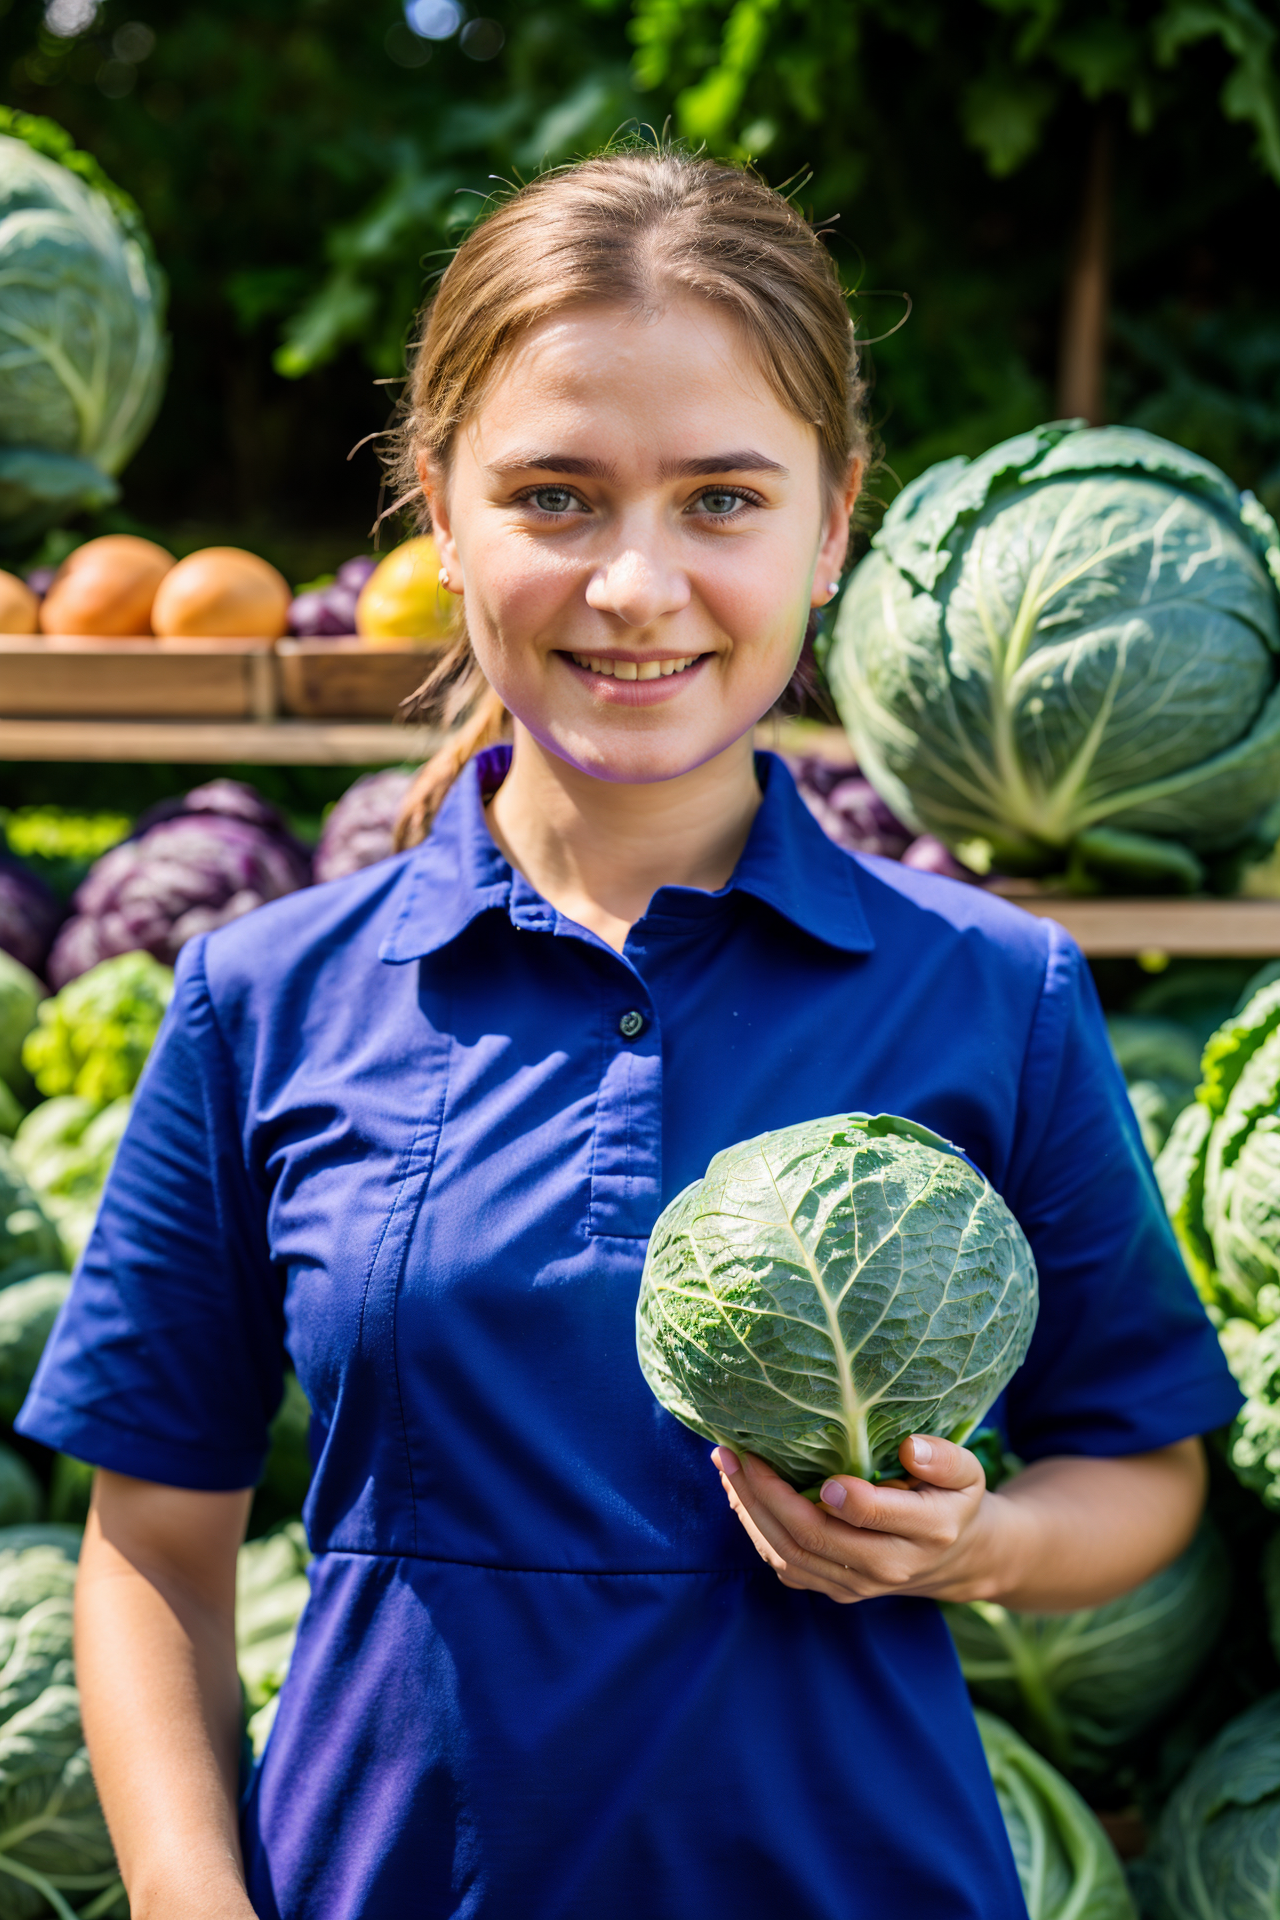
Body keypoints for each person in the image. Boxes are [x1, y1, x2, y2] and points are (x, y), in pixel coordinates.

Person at [20, 147, 1239, 1920]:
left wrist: (977, 1543)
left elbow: (1146, 1469)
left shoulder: (994, 989)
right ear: (442, 514)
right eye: (559, 497)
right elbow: (152, 1550)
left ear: (834, 525)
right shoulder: (262, 998)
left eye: (725, 500)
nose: (637, 586)